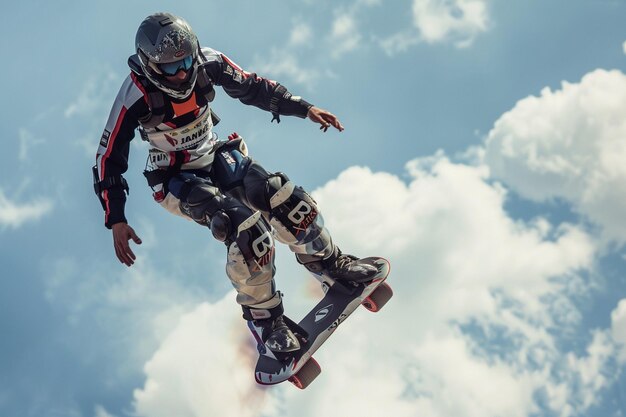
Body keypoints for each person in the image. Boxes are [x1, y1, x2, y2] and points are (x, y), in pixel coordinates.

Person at [93, 12, 380, 353]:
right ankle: (265, 321)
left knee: (286, 199)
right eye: (170, 68)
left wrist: (305, 108)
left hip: (216, 154)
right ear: (149, 66)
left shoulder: (208, 62)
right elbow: (107, 158)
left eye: (184, 61)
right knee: (247, 231)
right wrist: (117, 218)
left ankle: (331, 265)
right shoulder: (133, 96)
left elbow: (253, 87)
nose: (182, 72)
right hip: (175, 176)